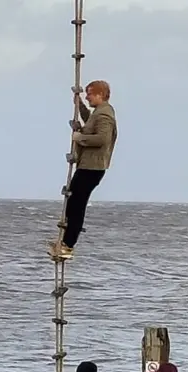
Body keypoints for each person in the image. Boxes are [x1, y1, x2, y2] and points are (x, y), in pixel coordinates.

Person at [49, 80, 118, 261]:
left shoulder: (105, 115)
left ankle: (68, 245)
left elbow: (102, 139)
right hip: (87, 165)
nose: (87, 97)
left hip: (92, 167)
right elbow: (90, 122)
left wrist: (80, 138)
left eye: (89, 94)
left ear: (100, 95)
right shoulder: (99, 113)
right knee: (73, 202)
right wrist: (79, 106)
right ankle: (65, 242)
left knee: (76, 205)